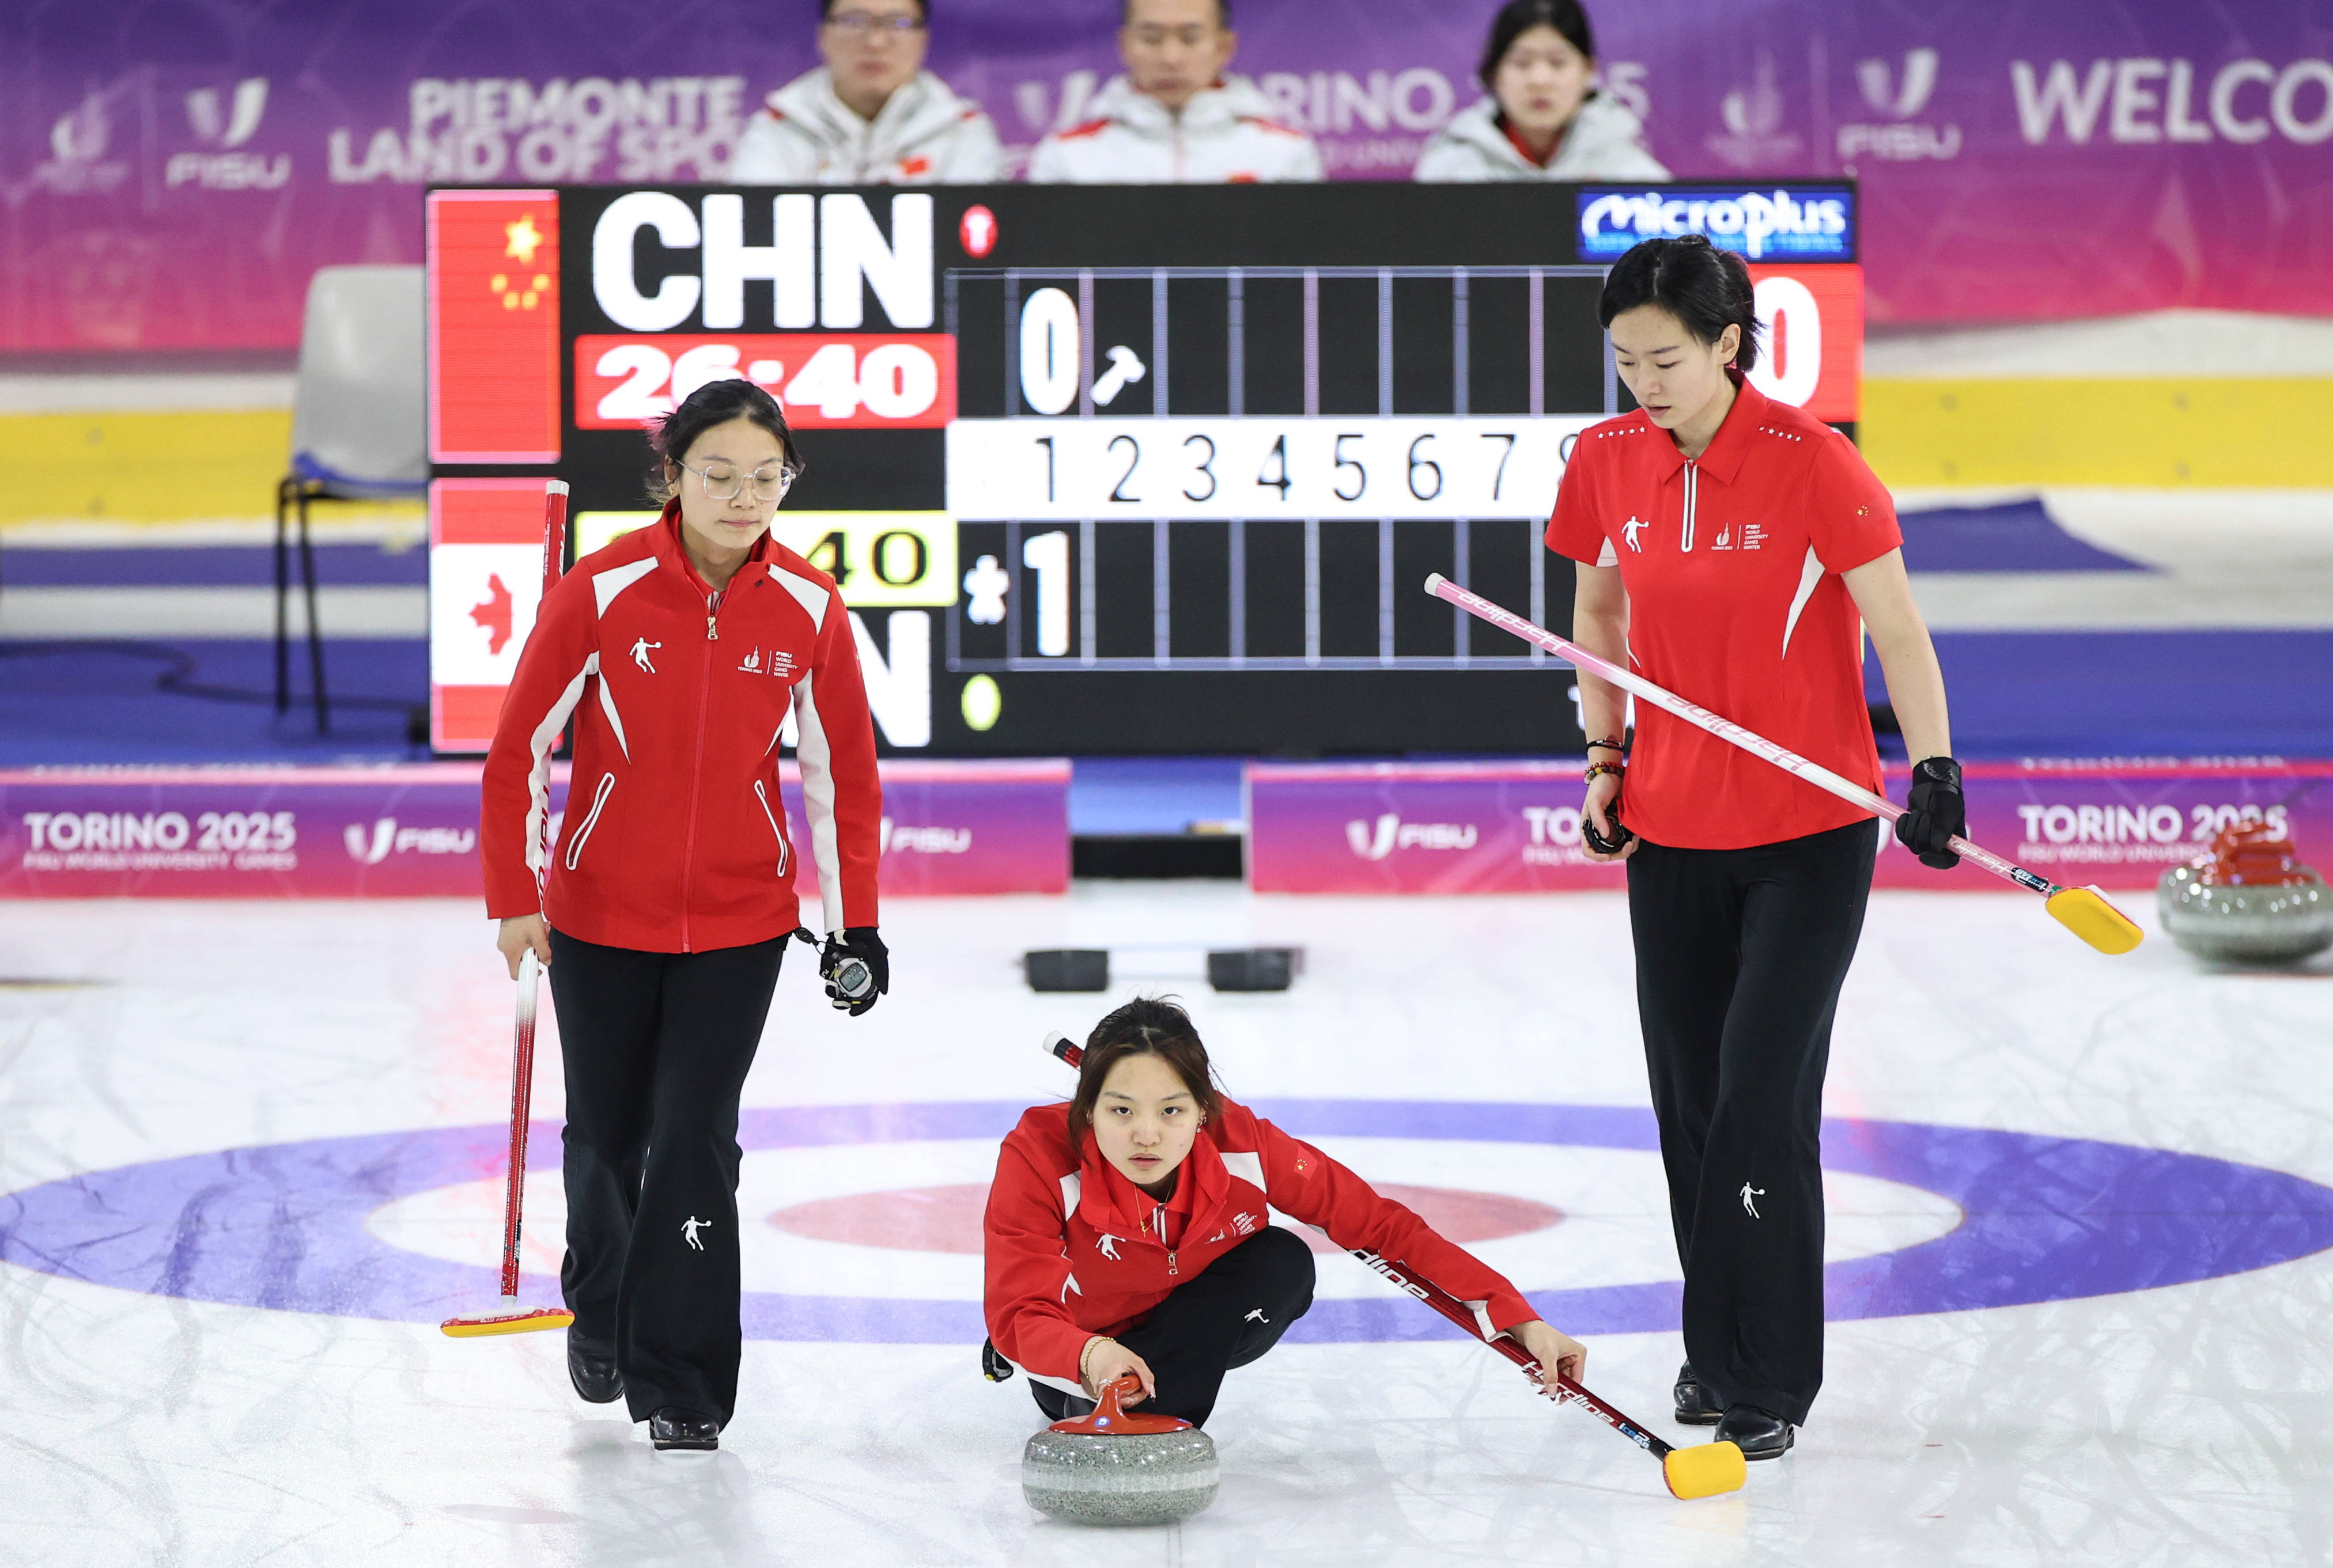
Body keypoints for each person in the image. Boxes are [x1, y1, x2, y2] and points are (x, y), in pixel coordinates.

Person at [1542, 234, 1964, 1461]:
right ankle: (1711, 1350)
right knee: (1686, 1108)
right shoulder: (1603, 458)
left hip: (1808, 835)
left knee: (1755, 1107)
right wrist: (1605, 760)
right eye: (1621, 360)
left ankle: (1769, 1374)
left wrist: (1931, 765)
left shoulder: (1810, 463)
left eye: (1663, 357)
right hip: (1668, 832)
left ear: (1728, 343)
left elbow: (1893, 622)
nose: (1640, 381)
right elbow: (1594, 612)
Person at [480, 377, 890, 1453]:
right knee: (608, 1140)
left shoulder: (807, 605)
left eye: (767, 477)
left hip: (740, 926)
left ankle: (685, 1379)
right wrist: (515, 895)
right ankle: (601, 1298)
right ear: (671, 475)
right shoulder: (600, 590)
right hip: (597, 920)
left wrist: (855, 927)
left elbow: (839, 774)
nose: (744, 496)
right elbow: (518, 747)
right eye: (719, 474)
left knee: (696, 1142)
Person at [983, 997, 1586, 1428]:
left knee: (1281, 1261)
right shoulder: (1037, 1154)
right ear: (1087, 1110)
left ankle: (1155, 1412)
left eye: (1170, 1111)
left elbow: (1379, 1225)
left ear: (1203, 1109)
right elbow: (1017, 1311)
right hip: (1080, 1355)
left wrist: (1517, 1315)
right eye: (1120, 1111)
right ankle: (1101, 1401)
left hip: (1193, 1320)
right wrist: (1084, 1356)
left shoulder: (1243, 1142)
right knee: (1063, 1342)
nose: (1146, 1134)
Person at [1027, 0, 1320, 185]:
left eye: (1190, 38)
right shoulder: (1067, 155)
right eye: (1151, 38)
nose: (1171, 58)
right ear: (1124, 45)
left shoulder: (1285, 153)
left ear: (1225, 46)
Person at [729, 0, 1001, 184]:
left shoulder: (963, 131)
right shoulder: (776, 128)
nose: (875, 42)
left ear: (923, 40)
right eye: (854, 21)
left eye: (899, 23)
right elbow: (757, 229)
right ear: (823, 35)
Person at [1414, 0, 1667, 182]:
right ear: (1493, 74)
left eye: (1558, 63)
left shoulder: (1631, 173)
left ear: (1589, 71)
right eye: (1522, 63)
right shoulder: (1448, 172)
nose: (1540, 80)